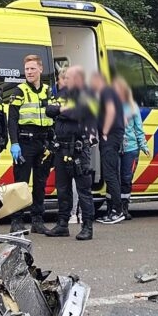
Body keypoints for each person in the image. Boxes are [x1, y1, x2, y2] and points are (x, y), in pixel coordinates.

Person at [43, 66, 98, 241]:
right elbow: (48, 110)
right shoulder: (60, 95)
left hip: (79, 149)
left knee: (83, 189)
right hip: (61, 148)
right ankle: (62, 224)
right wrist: (61, 111)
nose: (65, 81)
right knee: (63, 188)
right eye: (63, 78)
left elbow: (80, 113)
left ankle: (87, 226)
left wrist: (61, 111)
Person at [6, 54, 54, 234]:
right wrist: (15, 143)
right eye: (27, 69)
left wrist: (52, 141)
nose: (29, 72)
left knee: (40, 183)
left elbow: (55, 116)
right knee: (21, 184)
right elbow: (12, 119)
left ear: (40, 69)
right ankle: (17, 221)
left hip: (43, 142)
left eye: (33, 68)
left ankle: (37, 220)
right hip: (25, 142)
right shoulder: (19, 91)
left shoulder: (48, 91)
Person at [90, 71, 126, 225]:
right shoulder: (111, 93)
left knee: (111, 175)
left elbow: (110, 111)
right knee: (111, 174)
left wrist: (104, 131)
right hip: (114, 137)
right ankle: (112, 210)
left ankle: (117, 211)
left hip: (110, 138)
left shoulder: (106, 92)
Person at [115, 78, 149, 219]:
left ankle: (124, 207)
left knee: (127, 179)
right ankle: (115, 207)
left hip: (131, 148)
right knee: (115, 178)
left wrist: (143, 146)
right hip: (116, 147)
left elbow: (138, 128)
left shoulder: (132, 106)